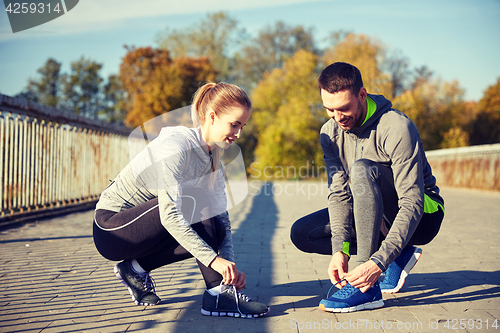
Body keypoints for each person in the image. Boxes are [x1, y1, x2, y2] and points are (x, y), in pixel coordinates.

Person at [93, 82, 270, 318]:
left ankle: (134, 269)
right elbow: (169, 214)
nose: (238, 134)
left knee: (214, 225)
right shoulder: (176, 146)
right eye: (234, 124)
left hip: (149, 229)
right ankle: (217, 295)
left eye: (242, 126)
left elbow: (222, 221)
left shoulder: (214, 156)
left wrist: (228, 268)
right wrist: (214, 261)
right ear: (212, 116)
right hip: (113, 229)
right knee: (195, 200)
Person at [290, 62, 444, 313]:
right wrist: (340, 249)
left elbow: (412, 201)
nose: (337, 118)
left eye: (343, 108)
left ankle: (367, 289)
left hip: (423, 216)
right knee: (303, 233)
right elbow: (339, 194)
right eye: (329, 109)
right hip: (374, 212)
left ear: (362, 95)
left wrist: (377, 264)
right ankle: (396, 253)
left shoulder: (396, 127)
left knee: (363, 169)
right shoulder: (329, 133)